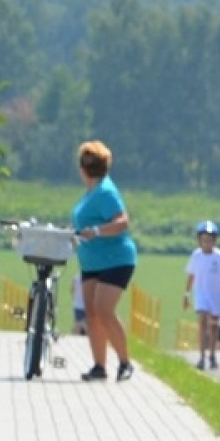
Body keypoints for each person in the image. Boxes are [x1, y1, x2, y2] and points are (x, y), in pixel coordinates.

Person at [71, 139, 138, 381]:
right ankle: (99, 366)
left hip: (116, 259)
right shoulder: (90, 193)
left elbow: (122, 222)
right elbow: (83, 222)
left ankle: (125, 362)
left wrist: (97, 231)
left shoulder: (106, 191)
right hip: (91, 261)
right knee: (91, 313)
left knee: (104, 309)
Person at [182, 220, 220, 370]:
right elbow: (191, 275)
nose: (207, 243)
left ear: (215, 241)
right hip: (201, 294)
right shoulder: (196, 256)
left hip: (216, 294)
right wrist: (186, 294)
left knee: (214, 326)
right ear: (199, 240)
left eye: (210, 240)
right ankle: (201, 356)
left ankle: (212, 354)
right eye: (204, 240)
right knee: (202, 322)